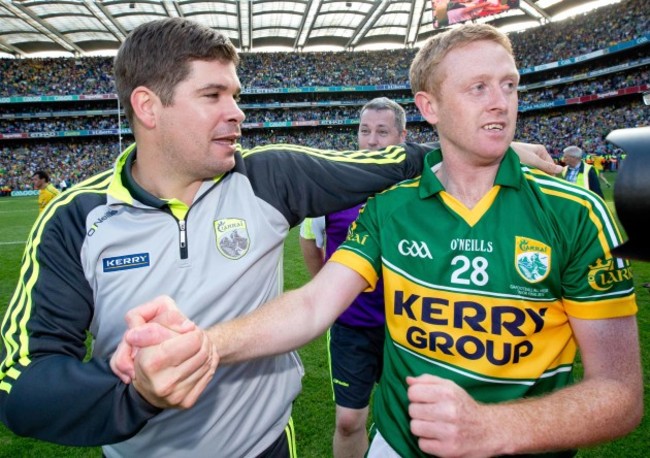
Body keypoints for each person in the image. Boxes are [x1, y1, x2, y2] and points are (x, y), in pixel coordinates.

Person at [0, 18, 558, 458]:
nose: (237, 113)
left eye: (235, 95)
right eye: (213, 96)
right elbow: (23, 389)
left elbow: (387, 161)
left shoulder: (267, 177)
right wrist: (137, 389)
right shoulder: (77, 220)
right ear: (148, 106)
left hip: (264, 447)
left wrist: (492, 148)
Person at [113, 24, 642, 458]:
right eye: (477, 88)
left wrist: (492, 427)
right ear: (429, 107)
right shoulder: (392, 208)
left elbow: (620, 396)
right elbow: (313, 303)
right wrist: (206, 345)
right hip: (395, 444)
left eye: (509, 84)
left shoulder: (577, 213)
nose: (500, 103)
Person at [299, 97, 406, 457]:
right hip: (352, 326)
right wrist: (329, 294)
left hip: (407, 327)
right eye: (365, 131)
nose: (372, 141)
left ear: (402, 137)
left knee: (411, 418)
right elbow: (309, 240)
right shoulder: (335, 186)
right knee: (348, 420)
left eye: (382, 132)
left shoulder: (419, 188)